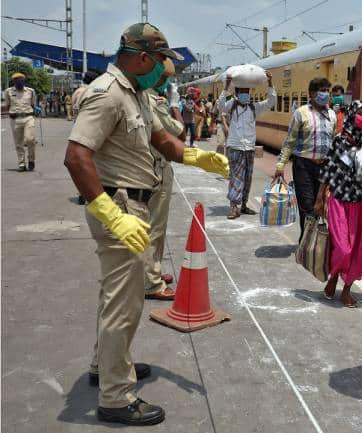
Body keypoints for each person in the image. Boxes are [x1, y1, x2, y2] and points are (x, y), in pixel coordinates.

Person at [63, 22, 229, 426]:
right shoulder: (107, 94)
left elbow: (162, 140)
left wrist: (195, 157)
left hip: (131, 205)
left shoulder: (133, 93)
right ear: (141, 58)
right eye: (159, 62)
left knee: (115, 296)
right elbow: (76, 156)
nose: (162, 69)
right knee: (125, 305)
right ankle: (116, 397)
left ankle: (106, 367)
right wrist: (109, 214)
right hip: (119, 208)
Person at [315, 100, 362, 307]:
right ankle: (333, 277)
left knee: (359, 248)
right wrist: (320, 197)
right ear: (352, 115)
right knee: (343, 248)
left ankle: (347, 288)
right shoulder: (340, 140)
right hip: (341, 199)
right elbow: (329, 169)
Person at [144, 60, 186, 301]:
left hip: (148, 167)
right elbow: (178, 130)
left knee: (153, 226)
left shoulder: (143, 97)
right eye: (165, 79)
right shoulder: (154, 102)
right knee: (155, 227)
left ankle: (153, 271)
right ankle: (150, 282)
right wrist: (174, 106)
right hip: (157, 169)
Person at [274, 77, 335, 240]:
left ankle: (314, 241)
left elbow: (333, 141)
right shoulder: (301, 113)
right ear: (311, 93)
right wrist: (280, 165)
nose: (325, 94)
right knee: (307, 207)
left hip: (324, 168)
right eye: (321, 90)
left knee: (321, 204)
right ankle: (306, 242)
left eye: (327, 91)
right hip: (304, 166)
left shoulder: (332, 115)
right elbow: (290, 141)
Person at [217, 72, 276, 219]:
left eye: (247, 92)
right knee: (236, 177)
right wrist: (226, 87)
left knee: (247, 178)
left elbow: (271, 101)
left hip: (249, 147)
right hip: (235, 147)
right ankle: (233, 206)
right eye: (242, 92)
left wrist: (270, 82)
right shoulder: (231, 105)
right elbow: (220, 106)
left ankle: (243, 205)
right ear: (237, 93)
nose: (246, 94)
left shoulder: (254, 107)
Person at [2, 72, 38, 171]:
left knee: (30, 139)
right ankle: (21, 163)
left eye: (21, 79)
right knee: (18, 143)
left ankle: (31, 159)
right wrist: (11, 112)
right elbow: (7, 105)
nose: (19, 81)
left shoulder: (31, 91)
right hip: (15, 119)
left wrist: (36, 110)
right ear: (13, 81)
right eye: (16, 80)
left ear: (24, 80)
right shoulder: (8, 91)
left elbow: (33, 104)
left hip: (28, 118)